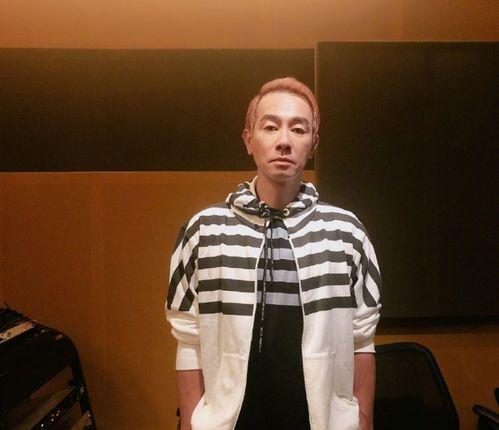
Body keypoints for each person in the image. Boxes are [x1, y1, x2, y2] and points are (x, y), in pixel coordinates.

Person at [165, 77, 382, 430]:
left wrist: (363, 421)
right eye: (270, 126)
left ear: (313, 144)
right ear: (248, 139)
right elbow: (189, 336)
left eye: (299, 129)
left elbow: (362, 338)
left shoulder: (347, 233)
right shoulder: (203, 231)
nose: (284, 141)